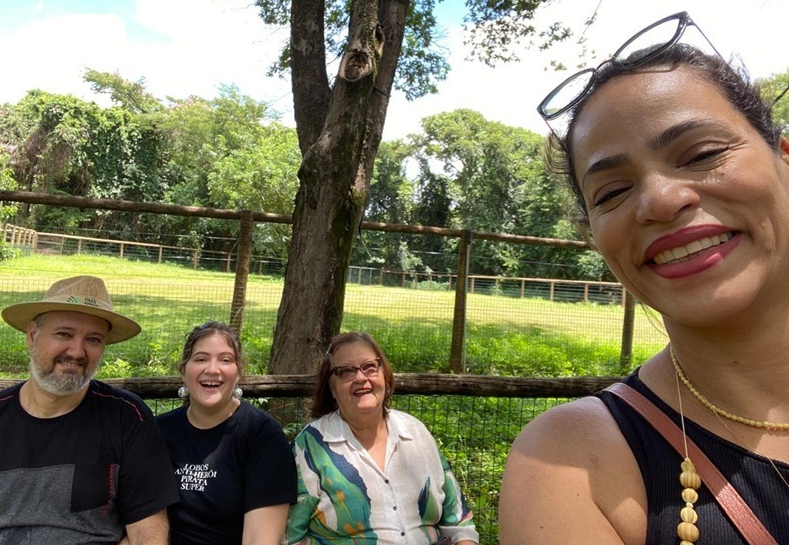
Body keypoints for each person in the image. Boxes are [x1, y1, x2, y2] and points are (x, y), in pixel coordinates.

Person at [499, 11, 789, 545]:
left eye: (701, 153)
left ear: (784, 159)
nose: (659, 200)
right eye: (611, 193)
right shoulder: (574, 463)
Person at [0, 275, 179, 544]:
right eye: (64, 334)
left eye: (94, 339)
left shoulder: (127, 417)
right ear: (32, 335)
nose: (77, 352)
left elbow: (149, 534)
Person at [286, 331, 479, 545]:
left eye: (369, 366)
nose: (361, 378)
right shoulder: (309, 448)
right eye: (346, 371)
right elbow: (290, 537)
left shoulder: (416, 432)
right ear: (332, 388)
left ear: (384, 375)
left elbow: (460, 524)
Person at [156, 321, 296, 544]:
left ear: (239, 372)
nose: (212, 369)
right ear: (184, 371)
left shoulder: (263, 435)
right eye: (201, 359)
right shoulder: (159, 432)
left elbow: (261, 540)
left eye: (225, 360)